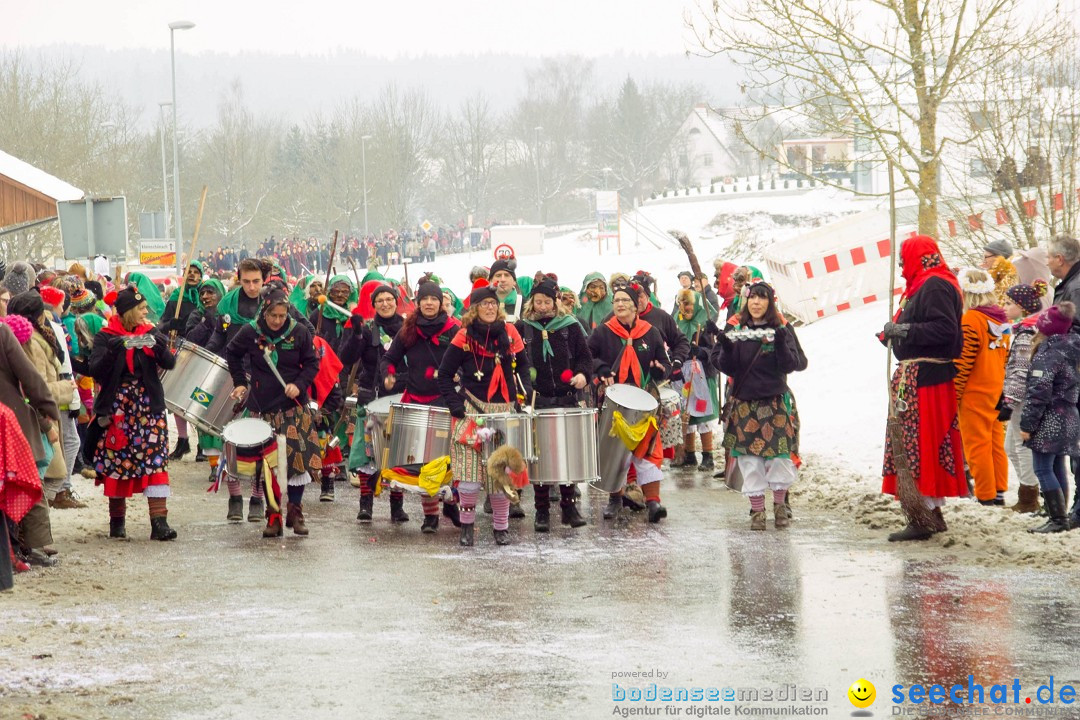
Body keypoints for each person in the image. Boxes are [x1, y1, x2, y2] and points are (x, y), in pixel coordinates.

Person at [879, 235, 966, 542]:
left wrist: (904, 330)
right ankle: (931, 513)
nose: (902, 268)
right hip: (919, 375)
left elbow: (945, 329)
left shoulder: (934, 285)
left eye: (904, 260)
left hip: (925, 378)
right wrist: (894, 333)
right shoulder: (923, 286)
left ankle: (922, 517)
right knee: (919, 443)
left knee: (920, 445)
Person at [437, 279, 533, 546]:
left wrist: (522, 397)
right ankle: (467, 528)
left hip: (504, 411)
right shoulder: (463, 335)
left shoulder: (511, 332)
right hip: (471, 412)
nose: (490, 308)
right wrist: (455, 405)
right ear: (474, 308)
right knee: (469, 477)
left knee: (499, 477)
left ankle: (500, 529)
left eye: (493, 303)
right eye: (484, 304)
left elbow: (524, 368)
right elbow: (444, 375)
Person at [226, 286, 321, 538]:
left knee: (297, 462)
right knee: (268, 465)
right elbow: (232, 353)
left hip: (293, 407)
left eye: (282, 315)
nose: (278, 321)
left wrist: (299, 385)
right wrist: (240, 382)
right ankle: (274, 514)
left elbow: (312, 363)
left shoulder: (299, 332)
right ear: (264, 312)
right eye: (273, 316)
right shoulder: (250, 332)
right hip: (263, 407)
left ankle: (295, 510)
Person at [712, 281, 807, 530]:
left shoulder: (782, 327)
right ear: (746, 300)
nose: (756, 303)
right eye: (753, 298)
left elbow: (795, 364)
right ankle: (757, 512)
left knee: (779, 458)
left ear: (770, 302)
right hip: (744, 402)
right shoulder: (734, 326)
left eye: (762, 298)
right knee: (750, 461)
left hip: (774, 400)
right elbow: (726, 366)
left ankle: (779, 507)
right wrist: (726, 346)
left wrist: (780, 343)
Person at [87, 284, 178, 541]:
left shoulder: (151, 331)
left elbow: (169, 363)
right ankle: (117, 522)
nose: (145, 312)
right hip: (118, 406)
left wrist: (159, 345)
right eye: (141, 308)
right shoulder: (105, 336)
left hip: (149, 406)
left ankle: (159, 522)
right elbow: (96, 370)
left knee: (155, 459)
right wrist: (116, 348)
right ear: (127, 312)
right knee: (117, 461)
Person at [378, 281, 461, 532]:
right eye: (424, 299)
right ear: (418, 303)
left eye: (433, 299)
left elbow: (468, 361)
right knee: (423, 463)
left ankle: (450, 504)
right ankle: (430, 517)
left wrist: (460, 377)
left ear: (441, 302)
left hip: (445, 401)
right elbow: (389, 358)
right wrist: (388, 374)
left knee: (448, 461)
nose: (429, 303)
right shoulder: (408, 330)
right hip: (414, 402)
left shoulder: (455, 329)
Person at [587, 283, 670, 523]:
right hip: (614, 400)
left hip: (644, 399)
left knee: (647, 450)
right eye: (616, 301)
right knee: (616, 451)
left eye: (625, 300)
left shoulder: (651, 332)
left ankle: (653, 501)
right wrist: (601, 368)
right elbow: (588, 356)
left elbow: (663, 364)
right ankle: (615, 499)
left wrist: (659, 370)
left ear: (636, 306)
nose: (620, 304)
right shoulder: (604, 332)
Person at [515, 277, 591, 531]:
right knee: (540, 456)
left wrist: (582, 375)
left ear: (555, 301)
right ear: (532, 302)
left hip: (567, 398)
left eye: (547, 301)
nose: (543, 306)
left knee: (566, 454)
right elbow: (514, 362)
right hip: (538, 400)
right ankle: (542, 512)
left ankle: (569, 508)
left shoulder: (570, 326)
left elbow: (584, 357)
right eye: (538, 301)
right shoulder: (523, 328)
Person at [7, 292, 83, 511]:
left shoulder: (36, 338)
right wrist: (65, 389)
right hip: (38, 418)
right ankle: (30, 532)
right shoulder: (31, 343)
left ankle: (34, 531)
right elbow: (33, 388)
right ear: (38, 316)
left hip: (41, 414)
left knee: (46, 476)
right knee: (45, 478)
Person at [0, 315, 61, 566]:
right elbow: (30, 377)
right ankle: (25, 547)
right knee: (22, 480)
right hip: (7, 423)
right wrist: (48, 409)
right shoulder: (2, 332)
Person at [1020, 302, 1080, 533]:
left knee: (1043, 468)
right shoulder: (1072, 347)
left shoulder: (1049, 354)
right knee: (1057, 466)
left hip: (1050, 417)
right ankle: (1060, 515)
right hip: (1070, 414)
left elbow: (1039, 392)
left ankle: (1057, 519)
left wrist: (1027, 425)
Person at [953, 267, 1010, 506]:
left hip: (975, 391)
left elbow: (963, 362)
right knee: (996, 441)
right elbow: (1006, 356)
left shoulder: (971, 320)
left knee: (977, 444)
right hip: (997, 387)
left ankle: (985, 493)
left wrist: (954, 395)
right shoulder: (1001, 319)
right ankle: (998, 489)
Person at [1000, 281, 1047, 513]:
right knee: (1010, 446)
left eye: (1009, 303)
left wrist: (1009, 400)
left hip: (1022, 398)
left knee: (1020, 445)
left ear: (1023, 307)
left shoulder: (1027, 332)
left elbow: (1020, 369)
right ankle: (1028, 492)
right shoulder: (1023, 329)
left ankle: (1029, 497)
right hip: (1019, 396)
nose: (1004, 307)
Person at [672, 288, 721, 472]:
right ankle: (689, 454)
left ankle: (708, 455)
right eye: (683, 304)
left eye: (690, 303)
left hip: (702, 375)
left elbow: (715, 351)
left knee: (702, 415)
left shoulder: (705, 326)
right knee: (687, 414)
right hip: (683, 376)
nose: (686, 308)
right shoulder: (677, 324)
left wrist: (702, 352)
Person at [980, 240, 1017, 306]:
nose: (983, 260)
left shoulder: (1006, 279)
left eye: (986, 257)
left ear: (998, 258)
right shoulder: (995, 276)